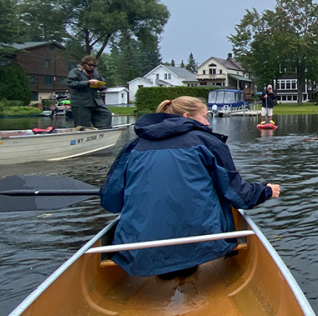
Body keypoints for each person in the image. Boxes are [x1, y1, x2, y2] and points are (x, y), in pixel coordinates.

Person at [100, 96, 281, 277]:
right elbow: (241, 196)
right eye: (205, 116)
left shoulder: (133, 146)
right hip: (203, 245)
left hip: (138, 249)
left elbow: (111, 201)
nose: (208, 123)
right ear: (187, 116)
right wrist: (266, 190)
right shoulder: (207, 143)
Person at [66, 55, 112, 129]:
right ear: (83, 64)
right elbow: (71, 83)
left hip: (95, 102)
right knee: (82, 125)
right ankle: (81, 138)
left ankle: (103, 133)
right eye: (90, 65)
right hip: (81, 103)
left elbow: (103, 82)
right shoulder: (76, 71)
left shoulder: (95, 73)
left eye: (94, 65)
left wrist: (101, 86)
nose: (92, 67)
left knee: (106, 114)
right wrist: (87, 82)